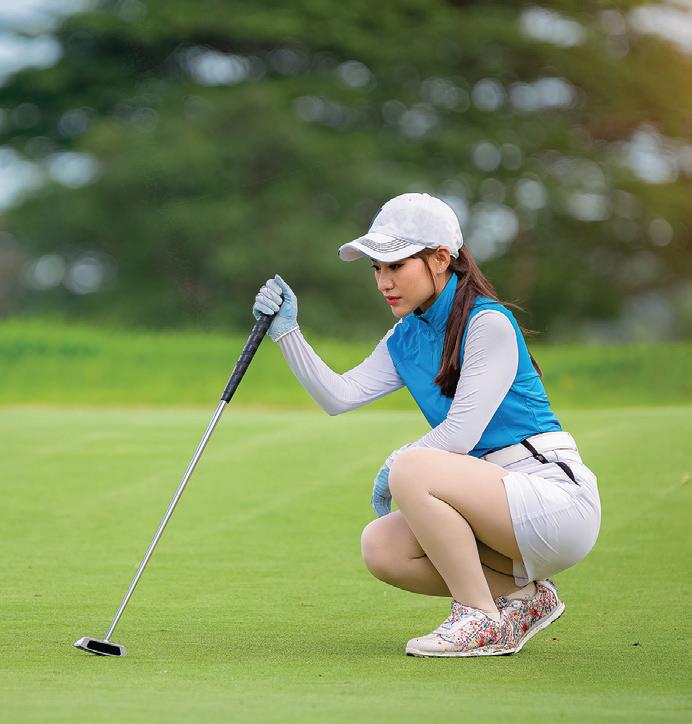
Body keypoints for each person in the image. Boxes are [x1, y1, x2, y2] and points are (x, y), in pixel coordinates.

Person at [251, 192, 601, 658]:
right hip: (496, 503)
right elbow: (339, 396)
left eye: (396, 266)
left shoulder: (488, 322)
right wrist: (287, 333)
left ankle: (480, 616)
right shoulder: (406, 336)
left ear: (440, 259)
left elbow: (460, 435)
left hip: (554, 502)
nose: (384, 282)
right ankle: (523, 598)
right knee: (382, 546)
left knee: (413, 466)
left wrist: (398, 465)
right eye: (377, 268)